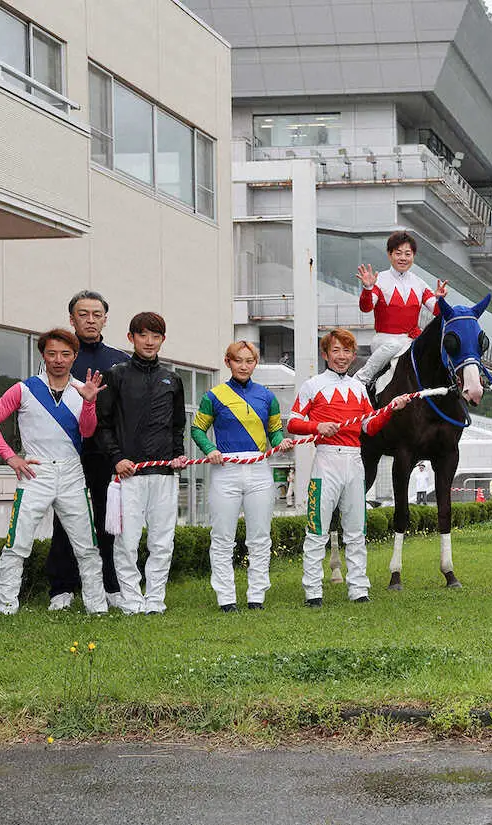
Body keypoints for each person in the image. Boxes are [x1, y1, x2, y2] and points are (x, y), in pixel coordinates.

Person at [0, 329, 108, 615]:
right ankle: (5, 607)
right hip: (34, 473)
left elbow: (87, 432)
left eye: (65, 354)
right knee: (17, 544)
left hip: (73, 473)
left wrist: (89, 402)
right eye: (52, 354)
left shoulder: (82, 389)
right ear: (43, 355)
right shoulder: (24, 388)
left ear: (75, 356)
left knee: (87, 546)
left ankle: (97, 607)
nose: (58, 360)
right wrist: (11, 457)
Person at [287, 328, 411, 607]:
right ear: (325, 353)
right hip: (325, 460)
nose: (341, 357)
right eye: (336, 351)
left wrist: (391, 409)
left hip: (355, 460)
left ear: (354, 356)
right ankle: (313, 591)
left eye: (347, 351)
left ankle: (359, 588)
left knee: (356, 529)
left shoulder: (358, 388)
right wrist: (316, 426)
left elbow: (369, 426)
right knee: (317, 528)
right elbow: (292, 422)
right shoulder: (312, 385)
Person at [94, 312, 189, 615]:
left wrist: (178, 454)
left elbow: (177, 426)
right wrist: (117, 458)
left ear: (163, 339)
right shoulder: (116, 375)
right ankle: (132, 601)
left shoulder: (172, 379)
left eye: (156, 336)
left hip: (164, 474)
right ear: (131, 338)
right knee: (126, 543)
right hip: (129, 474)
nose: (149, 341)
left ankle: (155, 601)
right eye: (143, 335)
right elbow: (102, 424)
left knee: (162, 542)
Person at [191, 341, 294, 612]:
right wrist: (210, 449)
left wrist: (280, 441)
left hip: (260, 471)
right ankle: (226, 598)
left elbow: (274, 431)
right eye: (238, 360)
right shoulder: (213, 396)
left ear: (255, 363)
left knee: (260, 537)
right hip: (225, 471)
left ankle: (256, 596)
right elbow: (197, 429)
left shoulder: (267, 396)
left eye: (249, 361)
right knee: (222, 536)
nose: (244, 366)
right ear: (228, 362)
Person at [47, 290, 130, 611]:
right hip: (67, 452)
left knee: (108, 520)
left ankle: (111, 585)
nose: (90, 319)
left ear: (105, 319)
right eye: (83, 314)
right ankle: (62, 588)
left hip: (106, 454)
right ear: (72, 319)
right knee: (65, 519)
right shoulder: (63, 357)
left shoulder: (118, 360)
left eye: (97, 314)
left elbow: (125, 411)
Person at [353, 230, 449, 385]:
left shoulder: (419, 283)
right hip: (385, 341)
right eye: (398, 253)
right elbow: (366, 307)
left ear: (413, 256)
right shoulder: (379, 280)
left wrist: (440, 299)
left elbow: (437, 311)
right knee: (396, 345)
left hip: (410, 340)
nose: (403, 258)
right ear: (390, 254)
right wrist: (368, 288)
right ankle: (361, 379)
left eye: (407, 254)